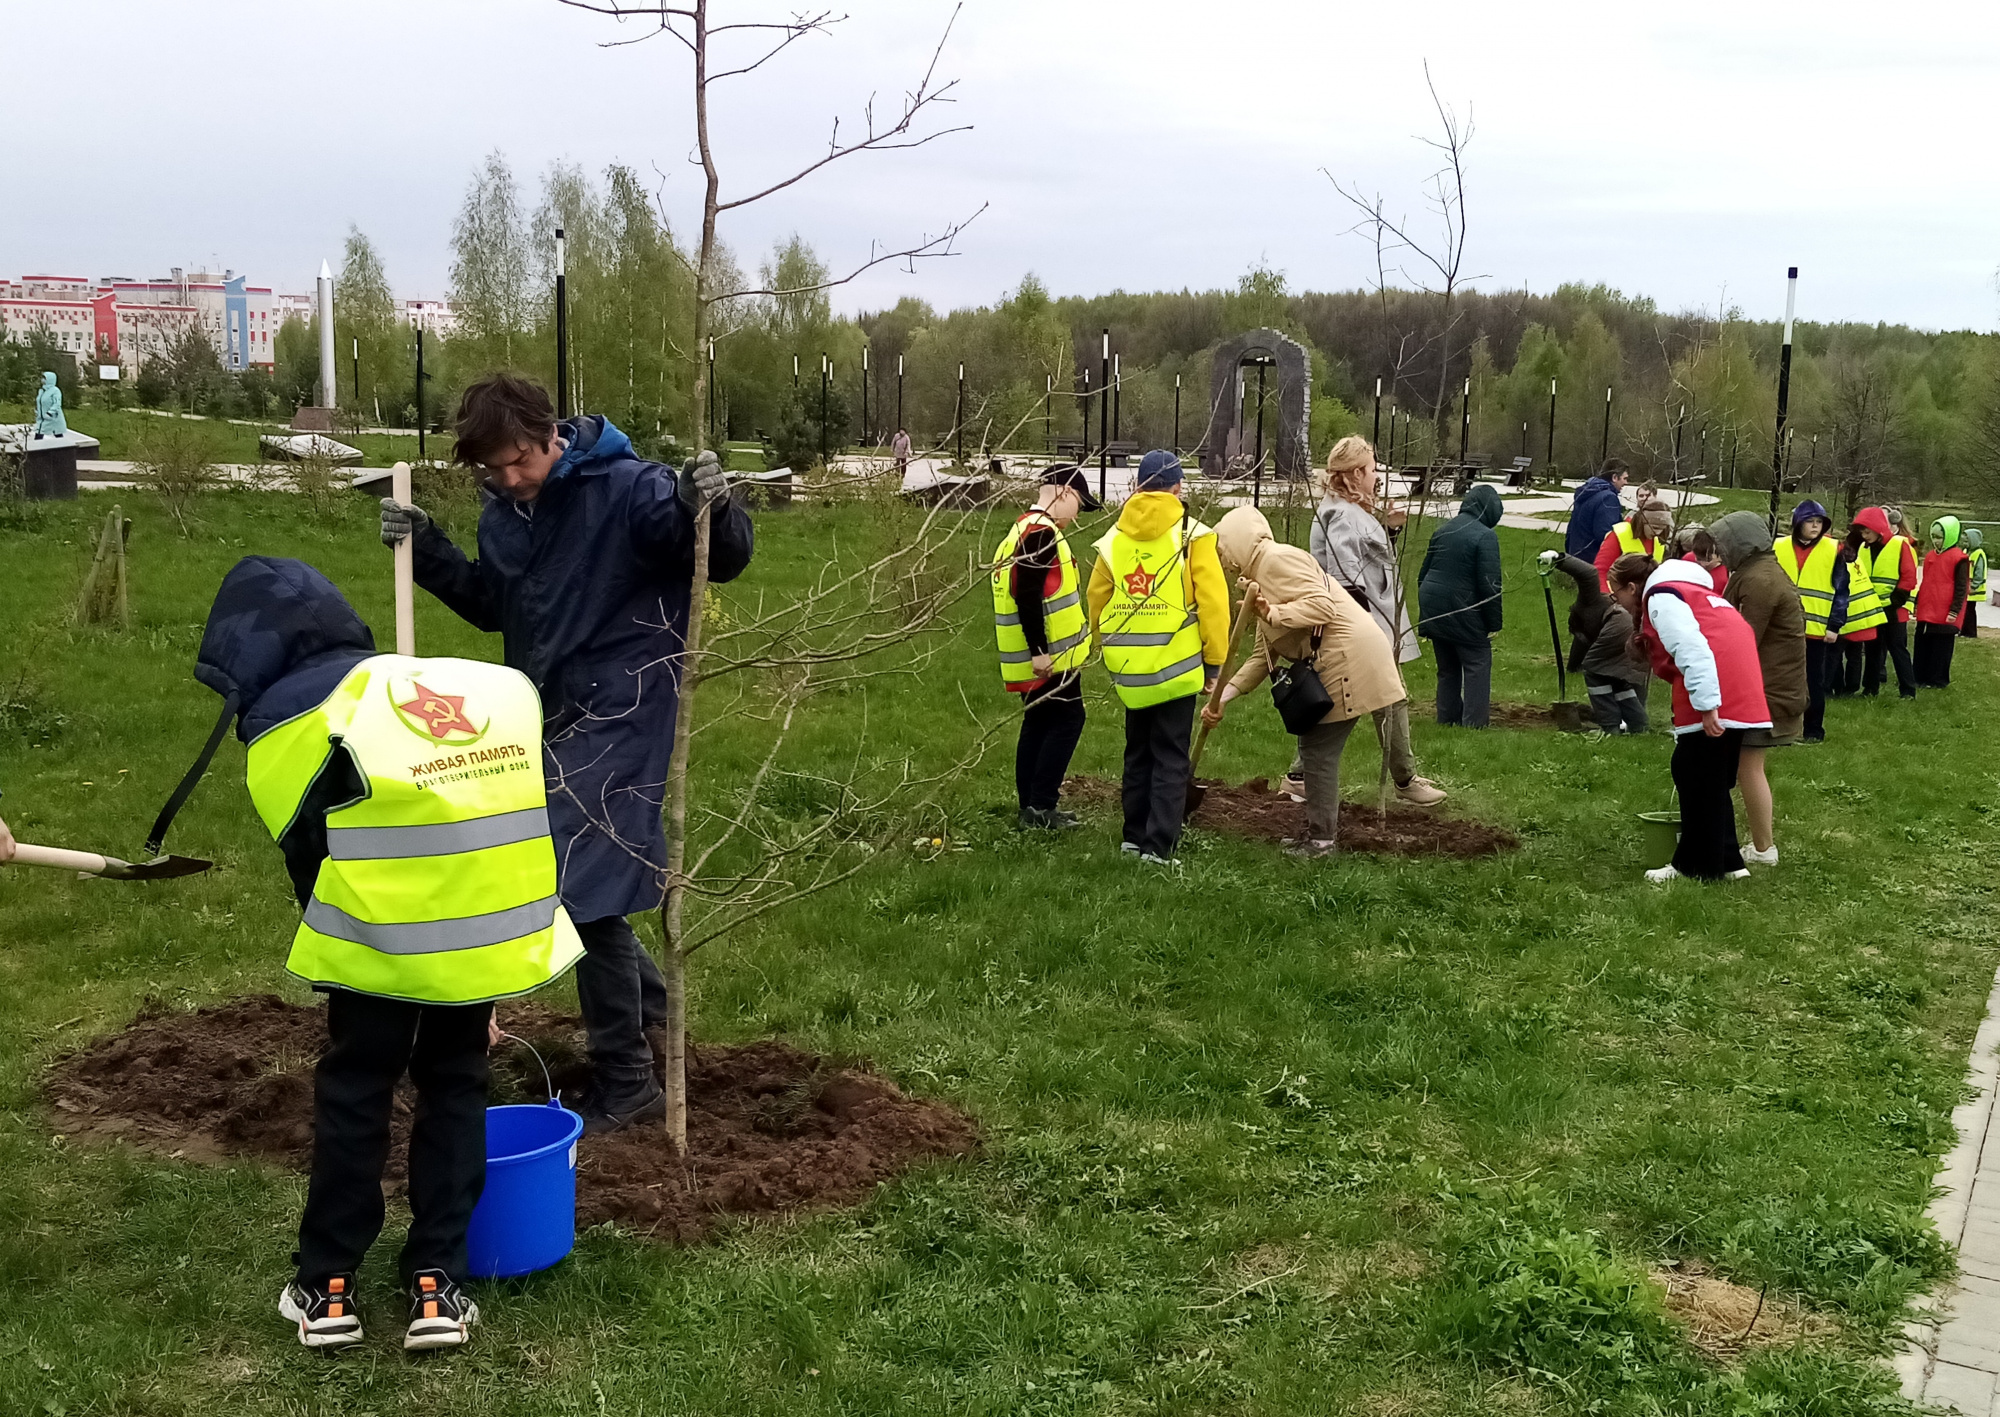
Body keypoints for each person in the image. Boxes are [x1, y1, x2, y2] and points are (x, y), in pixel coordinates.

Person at [190, 556, 583, 1352]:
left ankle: (329, 1286)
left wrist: (357, 957)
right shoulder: (411, 690)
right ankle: (438, 1284)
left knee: (358, 1085)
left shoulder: (299, 721)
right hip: (481, 924)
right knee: (456, 1081)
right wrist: (485, 977)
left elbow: (315, 865)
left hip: (375, 938)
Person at [381, 374, 754, 1135]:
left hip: (626, 706)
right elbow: (495, 604)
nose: (509, 477)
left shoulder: (631, 490)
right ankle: (654, 1018)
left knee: (577, 885)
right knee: (579, 882)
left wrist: (712, 504)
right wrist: (425, 546)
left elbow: (718, 557)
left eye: (519, 459)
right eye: (493, 469)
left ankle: (629, 1078)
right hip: (546, 714)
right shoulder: (505, 514)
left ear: (551, 434)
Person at [1203, 507, 1407, 857]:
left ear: (1238, 543)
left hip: (1349, 660)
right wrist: (1222, 697)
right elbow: (1261, 657)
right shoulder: (1258, 576)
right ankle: (1318, 835)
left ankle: (1321, 842)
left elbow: (1322, 607)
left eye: (1223, 550)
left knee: (1318, 751)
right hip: (1344, 658)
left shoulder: (1276, 560)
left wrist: (1276, 613)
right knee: (1315, 749)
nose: (1223, 560)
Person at [1086, 449, 1229, 863]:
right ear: (1178, 487)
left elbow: (1096, 597)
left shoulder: (1115, 537)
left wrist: (1106, 646)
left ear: (1138, 487)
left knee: (1138, 752)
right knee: (1171, 756)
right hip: (1177, 668)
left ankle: (1132, 837)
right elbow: (1215, 604)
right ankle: (1159, 846)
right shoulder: (1192, 535)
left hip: (1130, 669)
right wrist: (1215, 661)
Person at [1296, 435, 1446, 805]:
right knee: (1388, 698)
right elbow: (1347, 579)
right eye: (1372, 468)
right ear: (1357, 472)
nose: (1376, 475)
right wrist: (1364, 636)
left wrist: (1390, 530)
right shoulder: (1343, 516)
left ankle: (1299, 776)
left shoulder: (1347, 510)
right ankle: (1405, 780)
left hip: (1363, 627)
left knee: (1333, 701)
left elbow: (1370, 564)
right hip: (1363, 629)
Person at [1609, 554, 1771, 884]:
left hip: (1718, 690)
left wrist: (1708, 705)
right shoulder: (1698, 593)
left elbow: (1691, 647)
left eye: (1616, 594)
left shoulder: (1662, 596)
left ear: (1631, 587)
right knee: (1713, 778)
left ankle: (1693, 866)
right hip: (1743, 690)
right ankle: (1728, 862)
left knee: (1693, 773)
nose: (1617, 601)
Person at [993, 465, 1100, 828]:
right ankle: (1041, 805)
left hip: (1036, 656)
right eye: (1079, 505)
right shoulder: (1041, 533)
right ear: (1065, 493)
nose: (1077, 517)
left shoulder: (1020, 528)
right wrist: (1039, 650)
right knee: (1068, 721)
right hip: (1050, 657)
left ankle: (1031, 807)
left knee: (1038, 722)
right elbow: (1028, 595)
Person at [1712, 512, 1807, 867]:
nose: (1721, 550)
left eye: (1724, 542)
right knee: (1744, 766)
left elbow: (1742, 637)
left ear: (1741, 542)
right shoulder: (1758, 572)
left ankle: (1764, 849)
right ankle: (1756, 844)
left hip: (1768, 692)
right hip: (1764, 687)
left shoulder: (1760, 580)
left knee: (1749, 767)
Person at [1416, 483, 1503, 728]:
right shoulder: (1485, 536)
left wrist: (1428, 614)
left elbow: (1423, 574)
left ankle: (1447, 718)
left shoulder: (1443, 530)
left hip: (1433, 606)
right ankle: (1474, 724)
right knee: (1477, 662)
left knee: (1448, 668)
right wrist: (1493, 623)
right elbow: (1490, 585)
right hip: (1461, 607)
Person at [1542, 549, 1649, 733]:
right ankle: (1638, 724)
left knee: (1593, 670)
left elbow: (1589, 574)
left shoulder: (1589, 600)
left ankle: (1609, 726)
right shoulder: (1590, 624)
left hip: (1619, 625)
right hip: (1637, 625)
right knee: (1618, 678)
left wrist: (1559, 558)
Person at [1773, 501, 1840, 740]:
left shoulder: (1834, 549)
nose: (1815, 526)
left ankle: (1813, 730)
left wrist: (1834, 626)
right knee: (1779, 679)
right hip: (1782, 627)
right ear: (1798, 523)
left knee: (1814, 682)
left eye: (1819, 522)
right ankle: (1780, 727)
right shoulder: (1778, 545)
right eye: (1810, 521)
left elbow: (1842, 591)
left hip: (1816, 629)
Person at [1851, 506, 1917, 698]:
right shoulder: (1863, 548)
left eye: (1867, 531)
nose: (1864, 535)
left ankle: (1908, 691)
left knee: (1897, 649)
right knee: (1872, 649)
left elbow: (1909, 576)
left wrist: (1897, 600)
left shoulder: (1900, 544)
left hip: (1895, 607)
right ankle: (1870, 689)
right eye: (1862, 532)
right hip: (1872, 607)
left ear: (1878, 527)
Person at [1830, 517, 1887, 697]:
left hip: (1848, 614)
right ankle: (1851, 687)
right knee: (1855, 654)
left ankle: (1836, 687)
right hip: (1866, 614)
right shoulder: (1858, 558)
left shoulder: (1837, 557)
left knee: (1835, 653)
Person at [1914, 516, 1970, 688]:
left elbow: (1962, 587)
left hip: (1945, 611)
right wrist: (1917, 602)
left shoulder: (1959, 558)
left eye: (1940, 537)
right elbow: (1926, 581)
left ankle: (1937, 679)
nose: (1937, 541)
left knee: (1941, 647)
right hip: (1927, 608)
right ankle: (1919, 676)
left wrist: (1955, 610)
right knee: (1922, 643)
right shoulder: (1931, 556)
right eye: (1934, 537)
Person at [1593, 488, 1671, 591]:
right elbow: (1599, 571)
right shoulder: (1620, 534)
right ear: (1643, 522)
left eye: (1662, 529)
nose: (1658, 533)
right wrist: (1607, 597)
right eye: (1655, 528)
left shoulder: (1658, 541)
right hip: (1615, 598)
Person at [1565, 457, 1629, 557]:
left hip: (1576, 555)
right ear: (1614, 477)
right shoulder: (1608, 498)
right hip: (1595, 559)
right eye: (1624, 478)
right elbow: (1606, 535)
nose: (1626, 483)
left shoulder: (1586, 493)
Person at [1961, 528, 1987, 639]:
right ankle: (1963, 631)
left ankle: (1971, 633)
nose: (1964, 543)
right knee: (1965, 611)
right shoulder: (1966, 552)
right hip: (1966, 587)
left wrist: (1974, 586)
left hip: (1973, 589)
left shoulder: (1979, 554)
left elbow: (1979, 573)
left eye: (1967, 541)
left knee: (1970, 612)